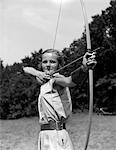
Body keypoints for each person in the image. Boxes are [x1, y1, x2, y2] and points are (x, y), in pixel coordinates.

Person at [23, 49, 97, 150]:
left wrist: (84, 68)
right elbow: (25, 69)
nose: (48, 65)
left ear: (59, 65)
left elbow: (70, 81)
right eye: (45, 62)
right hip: (46, 135)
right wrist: (38, 73)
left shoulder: (57, 79)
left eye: (52, 62)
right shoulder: (45, 81)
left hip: (56, 135)